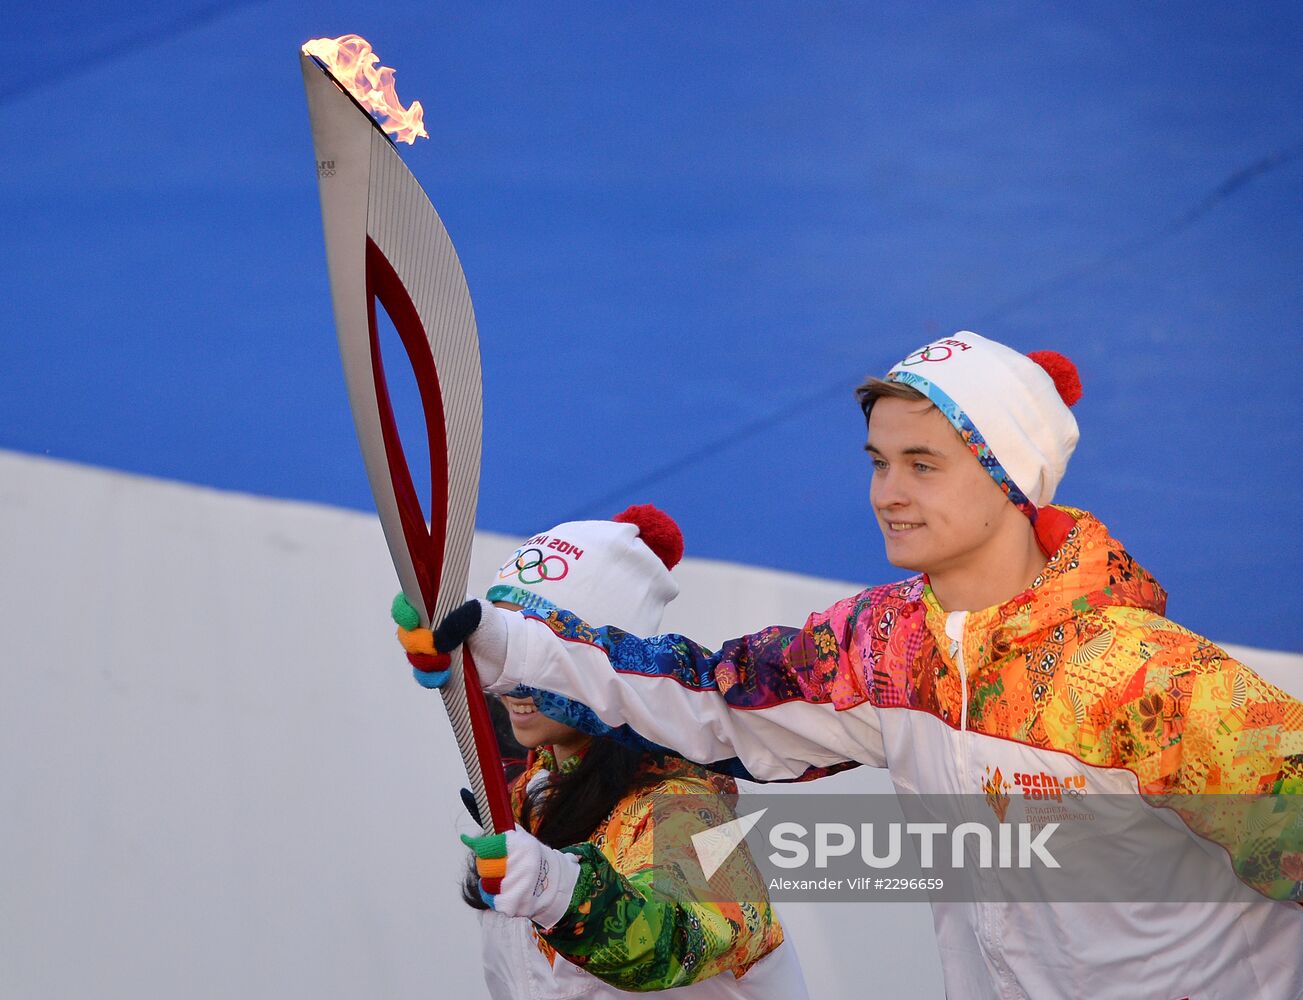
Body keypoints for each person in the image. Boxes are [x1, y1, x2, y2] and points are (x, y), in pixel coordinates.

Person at [414, 332, 1303, 999]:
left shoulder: (1157, 684)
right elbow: (713, 699)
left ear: (1010, 479)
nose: (887, 493)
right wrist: (506, 642)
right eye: (879, 462)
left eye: (924, 465)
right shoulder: (887, 648)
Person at [395, 504, 809, 999]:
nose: (513, 682)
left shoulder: (691, 811)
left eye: (536, 649)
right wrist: (451, 655)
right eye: (505, 643)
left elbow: (668, 943)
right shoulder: (536, 784)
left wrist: (555, 889)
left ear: (594, 663)